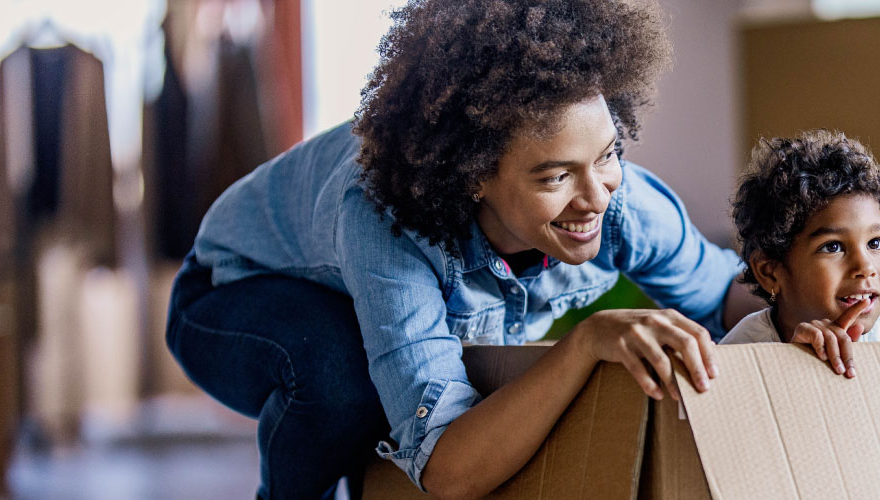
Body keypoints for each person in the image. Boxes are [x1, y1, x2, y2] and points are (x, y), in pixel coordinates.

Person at [163, 1, 758, 498]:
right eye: (555, 178)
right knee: (340, 375)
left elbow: (722, 291)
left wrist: (811, 310)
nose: (594, 199)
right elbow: (446, 468)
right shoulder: (386, 219)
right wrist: (583, 343)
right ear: (473, 174)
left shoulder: (624, 205)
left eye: (606, 155)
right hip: (228, 297)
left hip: (343, 294)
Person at [721, 130, 880, 376]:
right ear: (770, 272)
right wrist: (792, 365)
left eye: (875, 243)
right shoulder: (739, 356)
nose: (865, 267)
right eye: (833, 247)